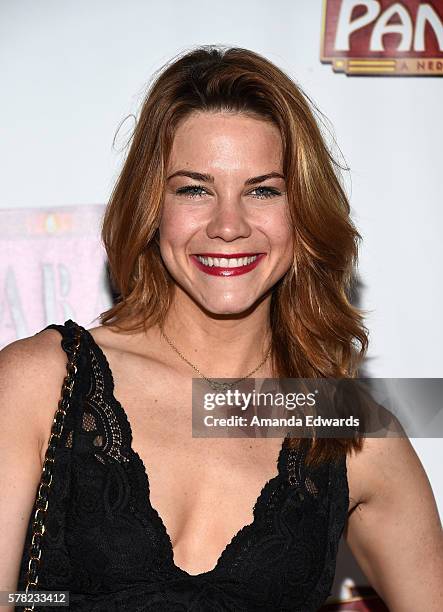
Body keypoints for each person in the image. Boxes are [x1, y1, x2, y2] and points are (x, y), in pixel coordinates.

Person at [0, 45, 442, 611]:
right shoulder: (39, 384)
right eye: (194, 189)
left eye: (263, 190)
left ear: (302, 211)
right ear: (151, 205)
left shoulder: (348, 430)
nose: (228, 225)